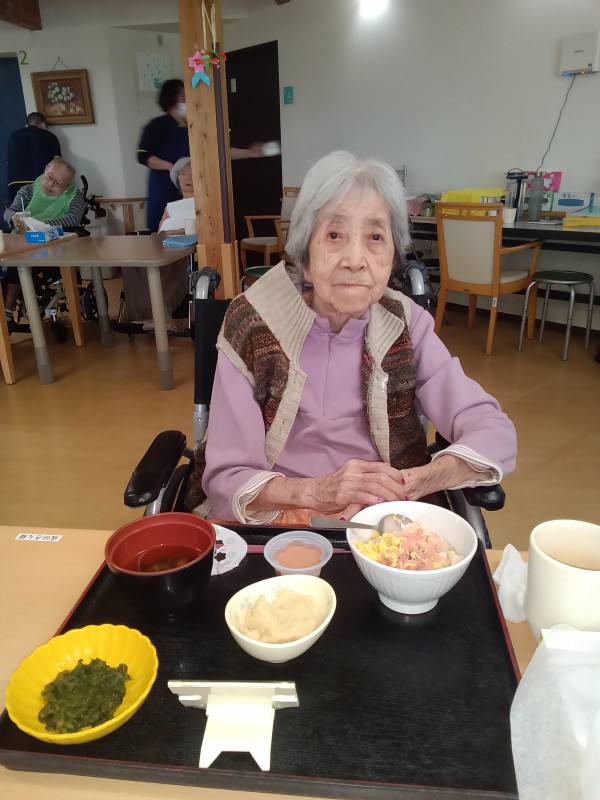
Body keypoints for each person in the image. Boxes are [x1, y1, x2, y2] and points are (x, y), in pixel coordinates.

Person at [191, 150, 517, 524]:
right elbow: (227, 479)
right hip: (275, 518)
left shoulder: (405, 325)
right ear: (305, 254)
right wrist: (317, 494)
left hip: (385, 520)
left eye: (376, 236)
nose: (355, 260)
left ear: (392, 254)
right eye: (334, 235)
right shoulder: (252, 323)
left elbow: (493, 431)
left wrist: (414, 483)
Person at [2, 158, 84, 324]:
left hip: (50, 243)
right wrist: (13, 217)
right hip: (20, 238)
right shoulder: (28, 190)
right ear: (45, 170)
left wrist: (42, 225)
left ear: (67, 186)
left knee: (16, 265)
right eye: (49, 177)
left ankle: (7, 313)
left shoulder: (73, 197)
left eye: (58, 183)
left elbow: (74, 218)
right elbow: (9, 211)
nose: (50, 184)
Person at [121, 156, 193, 331]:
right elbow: (161, 228)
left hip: (185, 247)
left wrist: (181, 232)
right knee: (132, 263)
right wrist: (163, 235)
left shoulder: (204, 203)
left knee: (163, 263)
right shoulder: (171, 206)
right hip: (162, 242)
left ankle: (163, 316)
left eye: (192, 174)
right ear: (177, 178)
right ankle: (146, 315)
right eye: (183, 174)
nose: (187, 178)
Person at [137, 79, 190, 233]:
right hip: (162, 187)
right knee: (162, 230)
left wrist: (249, 153)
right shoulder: (158, 124)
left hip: (188, 187)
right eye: (181, 95)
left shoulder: (192, 125)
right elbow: (142, 156)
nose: (185, 99)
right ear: (171, 98)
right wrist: (171, 168)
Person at [6, 112, 62, 203]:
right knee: (43, 210)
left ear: (27, 124)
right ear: (43, 124)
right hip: (40, 182)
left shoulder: (13, 136)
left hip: (14, 182)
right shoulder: (49, 136)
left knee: (18, 210)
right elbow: (57, 162)